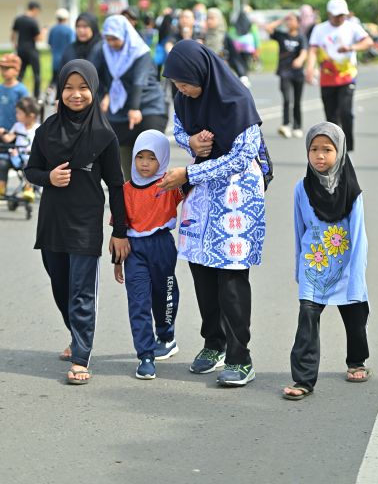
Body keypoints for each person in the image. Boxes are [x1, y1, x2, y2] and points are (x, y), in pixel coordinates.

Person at [158, 40, 267, 387]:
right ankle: (213, 343)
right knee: (201, 271)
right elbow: (178, 128)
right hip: (202, 194)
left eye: (184, 83)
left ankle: (240, 356)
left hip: (237, 195)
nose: (180, 90)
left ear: (201, 73)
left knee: (231, 275)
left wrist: (189, 173)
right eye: (175, 84)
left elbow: (242, 156)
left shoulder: (238, 100)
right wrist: (189, 142)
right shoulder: (183, 98)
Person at [25, 59, 130, 385]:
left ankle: (81, 357)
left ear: (93, 90)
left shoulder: (103, 134)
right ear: (60, 91)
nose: (76, 94)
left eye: (83, 87)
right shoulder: (46, 130)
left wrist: (120, 230)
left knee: (81, 292)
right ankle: (76, 334)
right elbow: (31, 171)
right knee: (60, 287)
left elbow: (116, 184)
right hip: (52, 222)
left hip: (85, 223)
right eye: (69, 88)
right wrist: (48, 177)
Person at [283, 122, 370, 400]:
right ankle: (303, 379)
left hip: (346, 266)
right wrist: (299, 268)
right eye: (314, 149)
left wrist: (357, 275)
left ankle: (356, 361)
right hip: (314, 265)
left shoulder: (352, 192)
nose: (319, 155)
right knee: (307, 320)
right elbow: (299, 230)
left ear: (340, 152)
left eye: (327, 150)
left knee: (355, 318)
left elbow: (359, 237)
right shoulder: (301, 188)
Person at [113, 130, 183, 380]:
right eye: (140, 157)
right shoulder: (125, 190)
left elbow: (196, 184)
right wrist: (117, 261)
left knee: (165, 295)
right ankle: (145, 355)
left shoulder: (170, 185)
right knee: (138, 302)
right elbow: (118, 230)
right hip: (134, 251)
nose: (144, 163)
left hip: (162, 246)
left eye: (152, 158)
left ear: (162, 159)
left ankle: (166, 335)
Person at [98, 14, 168, 179]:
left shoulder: (140, 51)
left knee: (149, 154)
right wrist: (104, 95)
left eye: (115, 39)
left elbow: (139, 80)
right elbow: (97, 74)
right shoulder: (104, 51)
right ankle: (132, 188)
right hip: (120, 106)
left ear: (124, 34)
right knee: (124, 151)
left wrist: (135, 108)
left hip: (148, 105)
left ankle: (154, 191)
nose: (111, 43)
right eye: (108, 39)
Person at [305, 0, 373, 152]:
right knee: (331, 116)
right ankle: (335, 147)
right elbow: (313, 50)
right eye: (337, 15)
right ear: (329, 14)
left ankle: (347, 147)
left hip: (347, 75)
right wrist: (309, 69)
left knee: (345, 112)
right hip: (327, 77)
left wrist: (351, 47)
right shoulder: (319, 29)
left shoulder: (352, 27)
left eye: (342, 15)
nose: (340, 18)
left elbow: (368, 42)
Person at [265, 13, 308, 138]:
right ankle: (285, 125)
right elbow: (268, 28)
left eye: (292, 20)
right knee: (287, 99)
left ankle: (297, 126)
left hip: (298, 73)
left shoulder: (301, 37)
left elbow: (304, 51)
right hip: (284, 72)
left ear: (298, 23)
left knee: (297, 101)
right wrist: (282, 19)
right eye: (288, 21)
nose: (289, 22)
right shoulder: (281, 36)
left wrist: (300, 59)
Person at [0, 96, 40, 200]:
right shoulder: (17, 126)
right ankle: (1, 187)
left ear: (30, 116)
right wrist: (2, 133)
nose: (16, 115)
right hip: (16, 156)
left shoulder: (38, 128)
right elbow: (9, 138)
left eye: (19, 113)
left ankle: (28, 188)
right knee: (2, 163)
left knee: (29, 166)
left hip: (29, 158)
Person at [204, 7, 248, 82]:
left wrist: (242, 75)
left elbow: (234, 58)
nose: (209, 21)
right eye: (207, 18)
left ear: (219, 19)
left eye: (212, 18)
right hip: (207, 74)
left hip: (223, 75)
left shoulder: (225, 37)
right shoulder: (204, 36)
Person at [11, 1, 42, 99]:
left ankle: (16, 94)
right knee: (36, 74)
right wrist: (44, 32)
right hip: (31, 50)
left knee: (20, 73)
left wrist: (15, 45)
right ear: (35, 9)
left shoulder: (18, 19)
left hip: (20, 50)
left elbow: (13, 34)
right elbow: (38, 38)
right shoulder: (33, 21)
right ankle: (36, 97)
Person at [0, 53, 28, 133]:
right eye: (2, 68)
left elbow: (26, 111)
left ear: (17, 70)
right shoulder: (0, 88)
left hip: (15, 131)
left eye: (7, 68)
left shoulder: (21, 90)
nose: (3, 71)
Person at [47, 8, 75, 85]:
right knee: (65, 82)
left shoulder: (53, 30)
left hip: (55, 60)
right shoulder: (69, 30)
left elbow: (49, 43)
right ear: (66, 18)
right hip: (66, 60)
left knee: (54, 81)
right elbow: (72, 45)